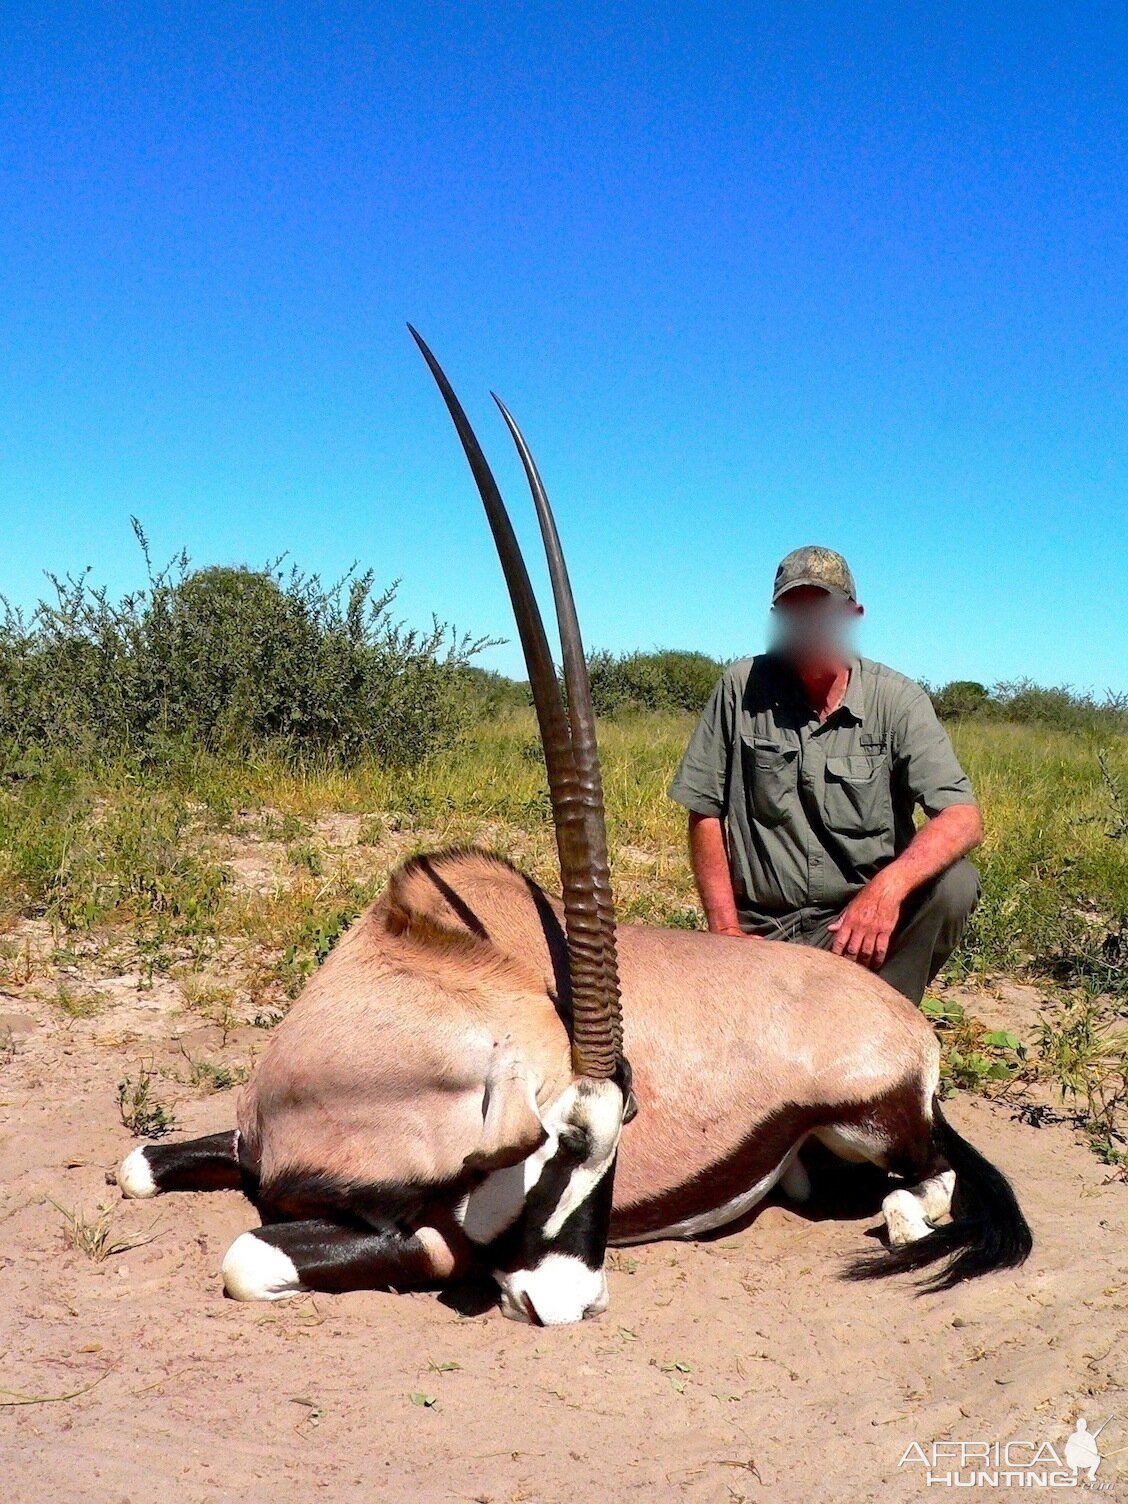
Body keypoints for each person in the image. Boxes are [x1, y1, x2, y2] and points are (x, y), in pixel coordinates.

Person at [668, 545, 983, 1005]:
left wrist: (885, 890)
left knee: (955, 884)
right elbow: (704, 810)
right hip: (764, 931)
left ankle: (883, 1012)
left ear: (852, 616)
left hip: (856, 927)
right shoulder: (739, 687)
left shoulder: (897, 700)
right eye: (794, 614)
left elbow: (962, 817)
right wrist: (725, 929)